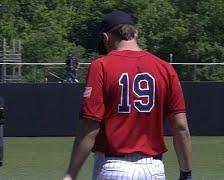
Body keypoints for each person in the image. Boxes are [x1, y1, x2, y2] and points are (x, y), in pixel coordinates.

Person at [63, 10, 192, 180]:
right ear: (136, 33)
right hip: (154, 170)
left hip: (113, 168)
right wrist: (186, 173)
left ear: (106, 37)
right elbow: (180, 127)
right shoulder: (165, 68)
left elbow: (90, 127)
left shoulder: (101, 66)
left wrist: (71, 174)